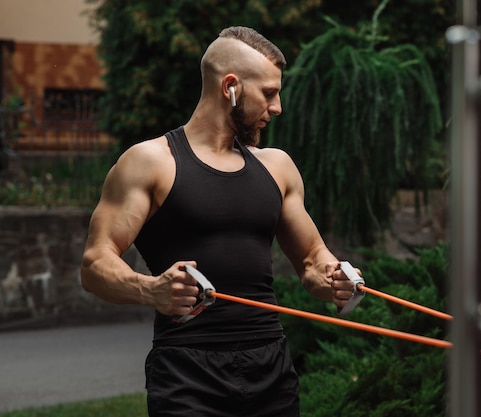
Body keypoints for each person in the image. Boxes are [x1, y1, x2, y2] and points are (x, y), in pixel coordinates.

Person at [81, 26, 361, 417]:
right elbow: (95, 264)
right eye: (268, 93)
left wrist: (335, 279)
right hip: (187, 373)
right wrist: (151, 289)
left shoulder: (277, 167)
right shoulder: (151, 162)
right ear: (230, 86)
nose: (277, 107)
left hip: (271, 366)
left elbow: (313, 258)